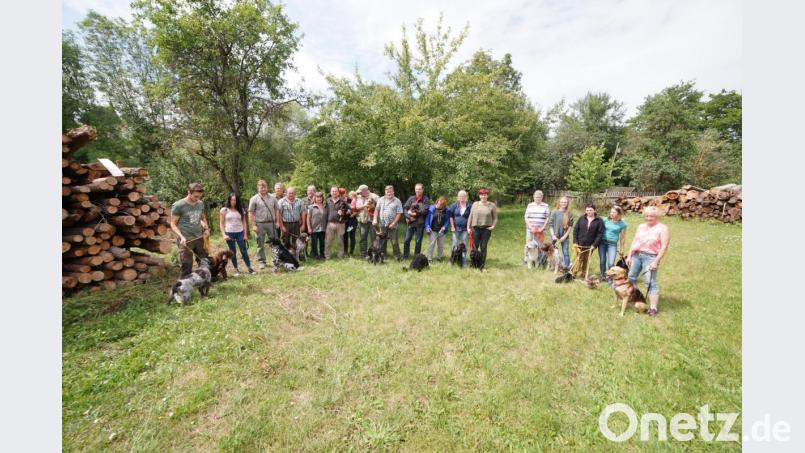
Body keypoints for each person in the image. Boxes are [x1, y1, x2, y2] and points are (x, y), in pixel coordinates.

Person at [625, 206, 671, 317]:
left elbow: (664, 246)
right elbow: (634, 241)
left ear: (657, 216)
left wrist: (656, 261)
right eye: (646, 216)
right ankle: (635, 298)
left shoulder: (663, 228)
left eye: (651, 216)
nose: (648, 218)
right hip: (636, 255)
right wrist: (629, 255)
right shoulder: (641, 226)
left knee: (650, 282)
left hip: (651, 257)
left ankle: (653, 308)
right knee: (631, 277)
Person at [170, 182, 210, 277]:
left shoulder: (200, 203)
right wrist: (181, 237)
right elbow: (173, 224)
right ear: (189, 192)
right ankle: (183, 287)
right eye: (196, 196)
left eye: (199, 196)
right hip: (186, 240)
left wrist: (206, 229)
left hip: (200, 237)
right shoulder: (178, 205)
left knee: (203, 261)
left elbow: (202, 217)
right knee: (186, 265)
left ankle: (203, 282)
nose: (198, 199)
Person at [248, 179, 283, 270]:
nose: (263, 189)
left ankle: (276, 261)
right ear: (258, 188)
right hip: (260, 224)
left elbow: (277, 210)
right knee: (260, 244)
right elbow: (251, 212)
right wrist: (253, 225)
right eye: (261, 187)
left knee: (275, 243)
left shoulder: (272, 197)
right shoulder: (254, 199)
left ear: (267, 187)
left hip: (271, 223)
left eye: (264, 187)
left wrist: (277, 222)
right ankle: (262, 262)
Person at [219, 193, 255, 275]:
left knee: (243, 250)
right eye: (231, 200)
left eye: (235, 200)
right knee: (232, 252)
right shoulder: (224, 210)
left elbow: (244, 223)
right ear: (229, 200)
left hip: (240, 232)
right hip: (229, 233)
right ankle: (235, 269)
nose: (233, 201)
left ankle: (249, 267)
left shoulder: (241, 210)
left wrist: (245, 235)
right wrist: (224, 235)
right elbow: (221, 224)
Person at [467, 188, 498, 269]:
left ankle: (482, 265)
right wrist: (468, 227)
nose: (483, 196)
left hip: (486, 229)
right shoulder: (475, 204)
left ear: (487, 196)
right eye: (482, 195)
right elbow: (471, 216)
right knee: (474, 247)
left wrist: (493, 226)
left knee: (483, 247)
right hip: (475, 228)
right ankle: (473, 264)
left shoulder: (492, 205)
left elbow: (495, 218)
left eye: (485, 195)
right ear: (479, 196)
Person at [572, 204, 604, 278]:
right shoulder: (581, 218)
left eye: (590, 210)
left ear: (594, 210)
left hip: (590, 245)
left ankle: (583, 274)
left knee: (586, 260)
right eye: (587, 210)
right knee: (578, 259)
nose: (588, 212)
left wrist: (594, 245)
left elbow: (600, 234)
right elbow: (575, 230)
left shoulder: (599, 220)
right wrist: (575, 242)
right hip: (580, 244)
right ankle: (573, 274)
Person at [373, 185, 403, 260]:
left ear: (393, 192)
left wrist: (394, 223)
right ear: (385, 192)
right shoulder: (380, 199)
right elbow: (377, 210)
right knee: (382, 241)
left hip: (392, 224)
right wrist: (375, 219)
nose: (389, 193)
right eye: (387, 192)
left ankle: (397, 257)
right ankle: (383, 255)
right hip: (382, 224)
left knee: (394, 242)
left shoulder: (397, 201)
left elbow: (399, 213)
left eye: (390, 192)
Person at [600, 205, 628, 284]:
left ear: (618, 214)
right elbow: (596, 218)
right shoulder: (605, 220)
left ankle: (610, 279)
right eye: (611, 212)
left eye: (614, 212)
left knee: (611, 263)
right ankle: (603, 276)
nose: (611, 213)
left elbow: (622, 238)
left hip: (612, 244)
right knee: (602, 261)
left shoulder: (622, 224)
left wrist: (622, 249)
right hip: (602, 243)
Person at [402, 183, 430, 259]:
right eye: (416, 189)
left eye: (419, 189)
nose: (418, 190)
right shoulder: (411, 198)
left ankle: (416, 257)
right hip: (410, 223)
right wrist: (409, 216)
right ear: (415, 189)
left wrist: (414, 214)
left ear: (423, 190)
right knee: (407, 240)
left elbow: (425, 211)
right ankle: (405, 257)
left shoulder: (426, 199)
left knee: (418, 241)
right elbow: (405, 208)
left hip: (420, 224)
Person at [323, 186, 350, 259]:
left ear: (338, 193)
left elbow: (350, 211)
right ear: (330, 192)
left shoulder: (343, 201)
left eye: (336, 191)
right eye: (333, 191)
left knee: (340, 241)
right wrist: (324, 225)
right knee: (328, 240)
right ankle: (327, 256)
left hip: (340, 224)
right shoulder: (327, 201)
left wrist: (343, 213)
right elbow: (325, 213)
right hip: (330, 224)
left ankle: (340, 255)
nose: (334, 192)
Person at [524, 190, 550, 263]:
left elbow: (547, 218)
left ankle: (539, 261)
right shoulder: (530, 205)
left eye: (539, 197)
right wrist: (531, 227)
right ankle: (528, 260)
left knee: (539, 245)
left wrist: (542, 228)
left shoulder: (546, 206)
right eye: (536, 197)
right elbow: (526, 217)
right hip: (530, 229)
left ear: (542, 197)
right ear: (533, 197)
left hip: (540, 230)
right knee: (528, 244)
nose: (537, 198)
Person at [549, 196, 574, 271]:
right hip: (554, 235)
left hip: (564, 236)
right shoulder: (554, 212)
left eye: (565, 202)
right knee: (551, 251)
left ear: (567, 203)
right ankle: (552, 266)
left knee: (565, 252)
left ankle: (566, 268)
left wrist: (565, 236)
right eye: (562, 202)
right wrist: (553, 235)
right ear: (559, 203)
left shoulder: (569, 213)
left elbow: (570, 226)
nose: (563, 203)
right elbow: (551, 225)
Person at [354, 184, 379, 258]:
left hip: (373, 220)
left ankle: (374, 254)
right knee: (363, 238)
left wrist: (373, 206)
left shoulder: (374, 196)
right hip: (363, 220)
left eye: (361, 192)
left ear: (365, 190)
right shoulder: (359, 197)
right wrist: (365, 205)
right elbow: (357, 207)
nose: (360, 193)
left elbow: (380, 205)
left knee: (374, 238)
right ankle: (363, 254)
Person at [425, 196, 451, 262]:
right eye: (438, 204)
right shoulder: (431, 208)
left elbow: (447, 220)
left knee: (440, 245)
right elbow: (427, 219)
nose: (438, 206)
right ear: (437, 202)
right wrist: (427, 227)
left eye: (441, 205)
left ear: (444, 206)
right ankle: (429, 258)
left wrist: (445, 226)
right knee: (431, 244)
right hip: (432, 229)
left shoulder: (447, 210)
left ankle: (439, 257)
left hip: (442, 231)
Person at [450, 190, 472, 266]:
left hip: (465, 229)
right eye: (460, 196)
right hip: (455, 229)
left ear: (466, 197)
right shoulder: (454, 205)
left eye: (463, 196)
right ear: (458, 198)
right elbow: (451, 217)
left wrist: (469, 227)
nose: (462, 197)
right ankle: (452, 260)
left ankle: (463, 261)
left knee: (464, 245)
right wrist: (452, 226)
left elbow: (471, 217)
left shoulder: (469, 206)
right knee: (454, 244)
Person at [278, 186, 304, 250]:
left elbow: (303, 213)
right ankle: (286, 256)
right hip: (286, 224)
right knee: (285, 241)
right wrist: (282, 226)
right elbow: (278, 214)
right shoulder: (281, 201)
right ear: (286, 193)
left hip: (296, 224)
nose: (291, 194)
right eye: (289, 193)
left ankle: (295, 255)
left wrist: (303, 224)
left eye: (292, 193)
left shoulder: (300, 201)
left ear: (295, 193)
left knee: (296, 240)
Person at [306, 192, 327, 259]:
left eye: (320, 197)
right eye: (317, 197)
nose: (319, 199)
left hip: (323, 228)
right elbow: (308, 218)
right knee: (314, 243)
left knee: (322, 242)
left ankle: (322, 254)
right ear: (315, 198)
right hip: (314, 228)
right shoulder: (311, 207)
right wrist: (309, 228)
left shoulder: (325, 207)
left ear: (322, 198)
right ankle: (315, 255)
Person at [342, 189, 358, 257]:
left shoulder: (351, 199)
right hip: (345, 221)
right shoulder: (340, 201)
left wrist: (354, 214)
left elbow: (357, 209)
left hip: (352, 221)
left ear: (346, 193)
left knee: (352, 236)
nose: (342, 195)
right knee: (345, 236)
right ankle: (345, 251)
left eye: (343, 193)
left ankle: (351, 252)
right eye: (341, 193)